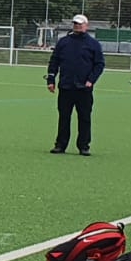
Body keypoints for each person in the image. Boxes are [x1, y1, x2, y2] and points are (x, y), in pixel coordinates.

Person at [46, 13, 105, 155]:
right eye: (75, 23)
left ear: (86, 25)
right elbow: (54, 61)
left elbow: (99, 64)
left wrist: (91, 80)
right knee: (64, 117)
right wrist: (51, 80)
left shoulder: (93, 44)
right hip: (66, 87)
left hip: (84, 88)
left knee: (84, 118)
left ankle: (84, 146)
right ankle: (60, 145)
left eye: (80, 24)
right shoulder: (63, 42)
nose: (77, 26)